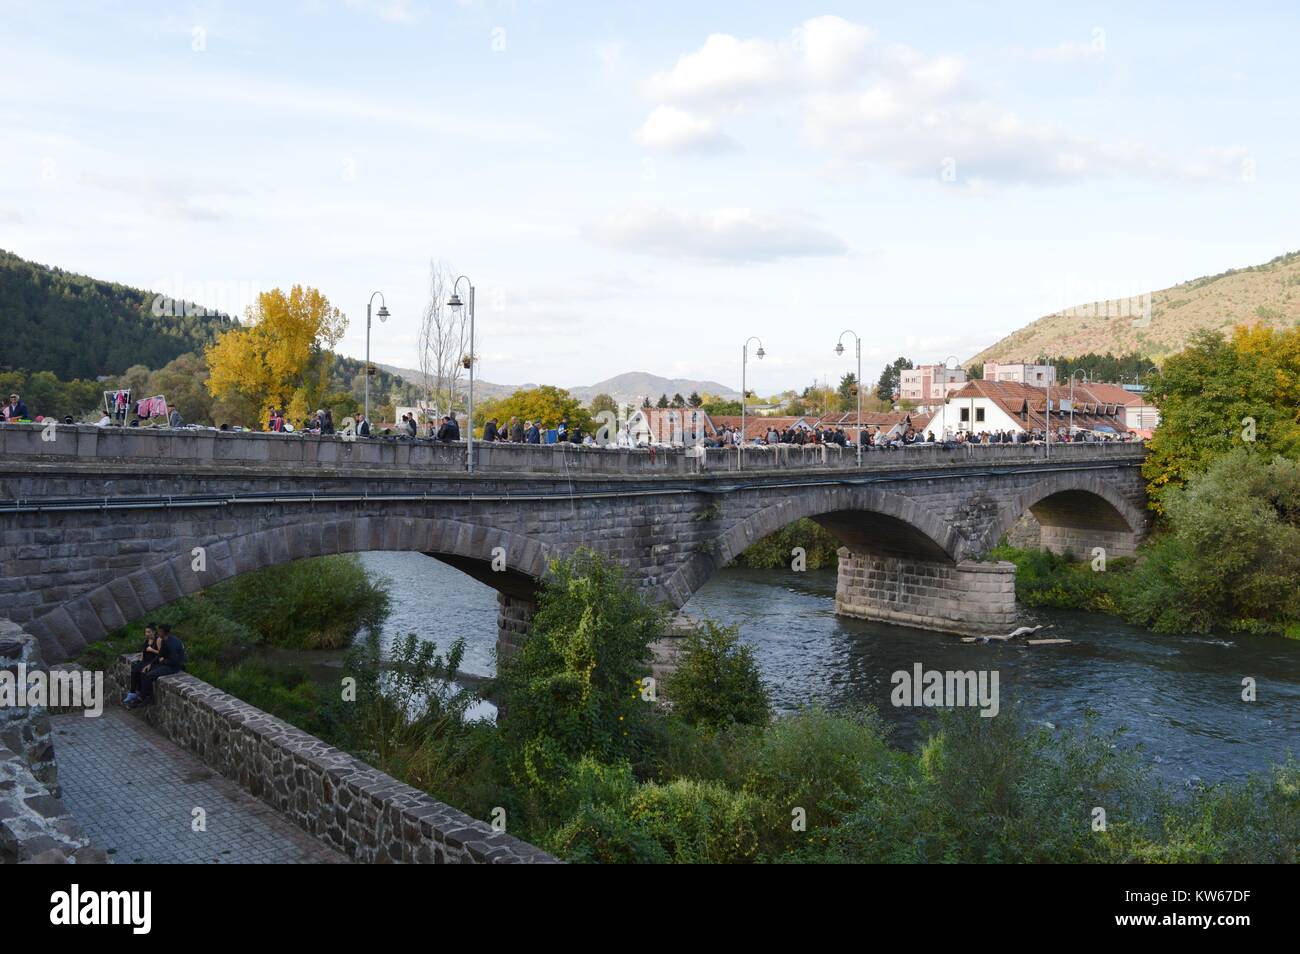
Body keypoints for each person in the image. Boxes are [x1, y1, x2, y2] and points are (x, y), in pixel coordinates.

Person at [127, 623, 186, 707]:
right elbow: (160, 654)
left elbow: (175, 661)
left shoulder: (172, 643)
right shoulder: (166, 640)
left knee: (149, 675)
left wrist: (163, 660)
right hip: (165, 663)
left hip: (173, 667)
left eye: (159, 631)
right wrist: (150, 665)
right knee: (145, 671)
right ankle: (143, 696)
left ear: (163, 632)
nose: (157, 633)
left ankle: (145, 698)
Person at [122, 623, 162, 706]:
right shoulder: (147, 640)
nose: (146, 634)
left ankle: (142, 695)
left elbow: (162, 653)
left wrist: (152, 650)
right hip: (145, 660)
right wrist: (141, 660)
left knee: (143, 673)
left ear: (153, 632)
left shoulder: (158, 640)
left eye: (148, 632)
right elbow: (144, 651)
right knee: (134, 671)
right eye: (146, 632)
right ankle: (132, 693)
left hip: (153, 661)